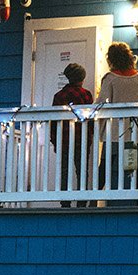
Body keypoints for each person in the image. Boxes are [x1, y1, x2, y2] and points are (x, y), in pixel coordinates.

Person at [94, 41, 138, 193]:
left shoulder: (110, 78)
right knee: (135, 167)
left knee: (105, 166)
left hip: (114, 132)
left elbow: (101, 104)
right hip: (136, 132)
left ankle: (93, 198)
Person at [50, 63, 93, 206]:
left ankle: (65, 202)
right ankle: (82, 202)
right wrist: (91, 136)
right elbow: (90, 118)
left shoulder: (59, 96)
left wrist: (54, 140)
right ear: (82, 79)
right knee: (82, 171)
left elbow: (54, 121)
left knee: (65, 171)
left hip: (64, 141)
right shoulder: (86, 95)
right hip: (82, 140)